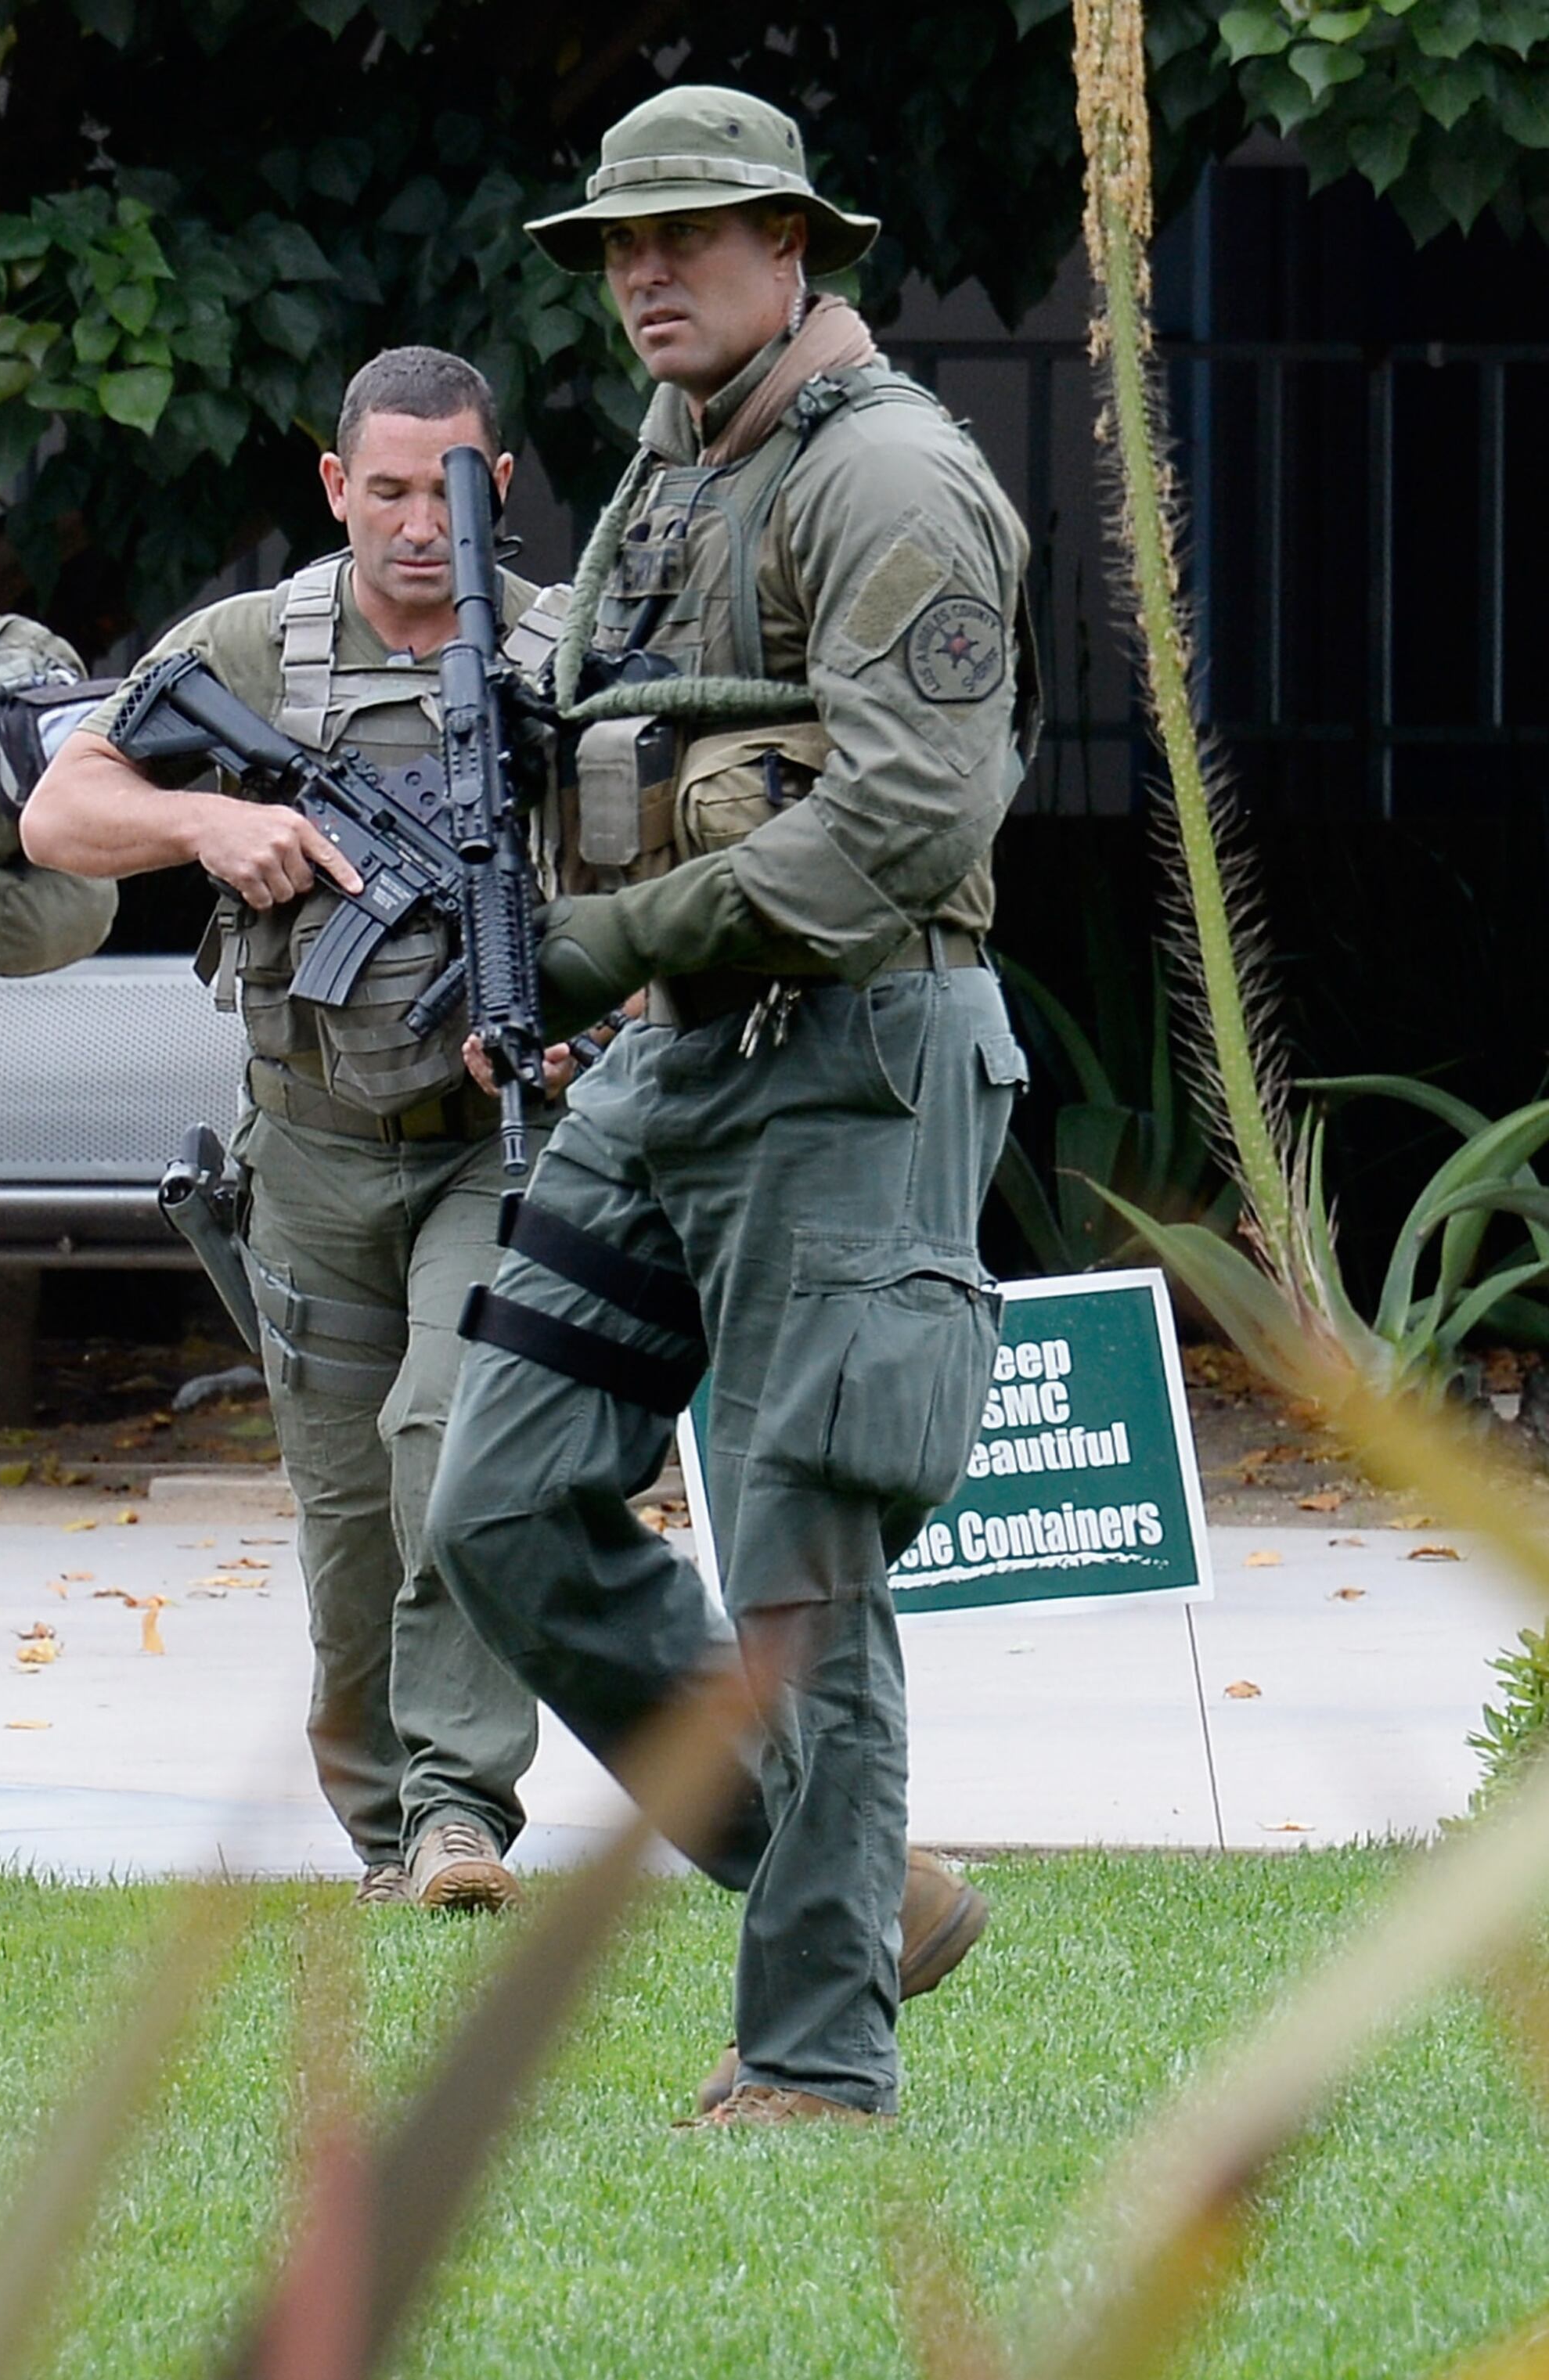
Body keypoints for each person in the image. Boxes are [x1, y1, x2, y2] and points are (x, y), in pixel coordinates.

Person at [424, 86, 1033, 2122]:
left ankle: (814, 2060)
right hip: (680, 1054)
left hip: (855, 1061)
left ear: (799, 247)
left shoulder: (897, 486)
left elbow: (915, 806)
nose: (646, 276)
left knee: (802, 1569)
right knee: (503, 1503)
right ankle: (856, 1891)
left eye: (689, 236)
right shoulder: (669, 477)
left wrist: (610, 944)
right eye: (619, 245)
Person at [21, 347, 553, 1909]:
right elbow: (58, 811)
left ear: (497, 488)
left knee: (447, 1450)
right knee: (342, 1521)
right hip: (311, 1151)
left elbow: (647, 880)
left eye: (443, 489)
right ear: (336, 488)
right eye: (380, 490)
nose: (412, 524)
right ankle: (391, 1837)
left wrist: (582, 1012)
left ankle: (463, 1808)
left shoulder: (558, 650)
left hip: (491, 1142)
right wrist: (208, 819)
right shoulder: (255, 647)